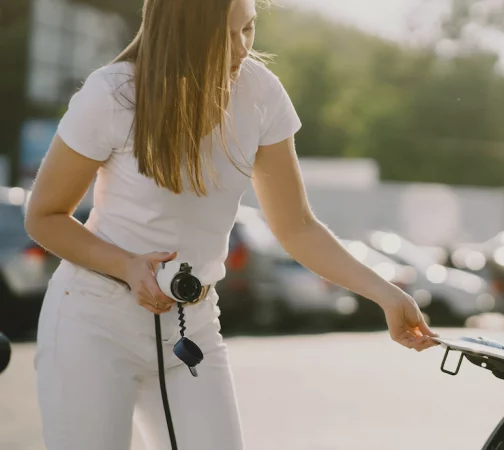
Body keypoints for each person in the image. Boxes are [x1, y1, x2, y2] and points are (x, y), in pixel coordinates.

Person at [23, 0, 439, 448]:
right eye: (225, 35)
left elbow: (296, 225)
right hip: (93, 323)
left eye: (249, 29)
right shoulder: (112, 94)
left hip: (194, 327)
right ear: (182, 34)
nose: (241, 48)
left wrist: (386, 294)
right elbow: (44, 216)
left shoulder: (261, 94)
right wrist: (126, 265)